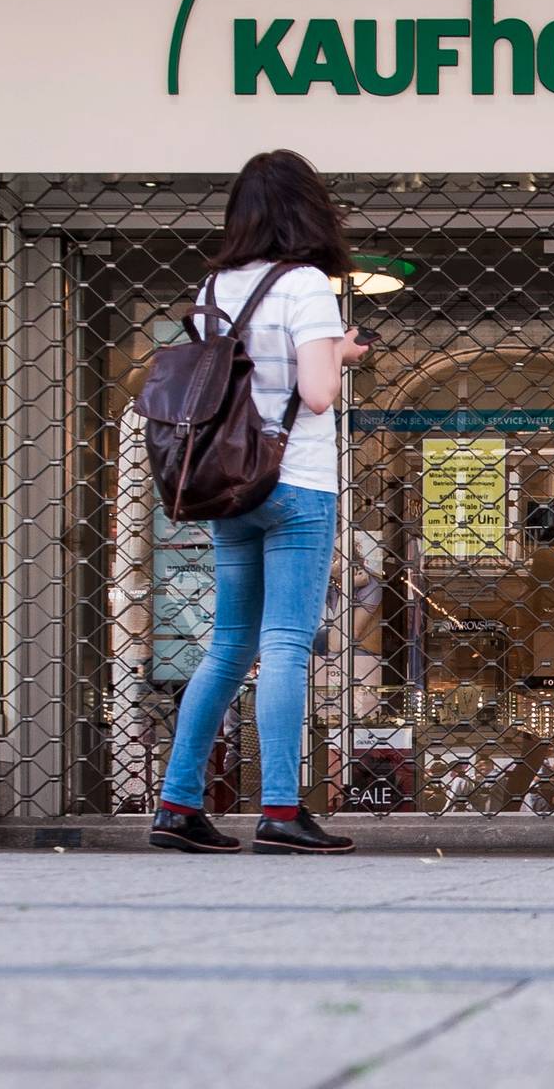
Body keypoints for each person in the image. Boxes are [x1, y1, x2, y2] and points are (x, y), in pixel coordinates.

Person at [149, 149, 369, 856]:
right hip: (295, 483)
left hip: (228, 483)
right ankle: (279, 808)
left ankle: (178, 805)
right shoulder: (305, 285)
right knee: (284, 646)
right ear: (309, 211)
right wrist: (341, 353)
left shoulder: (215, 286)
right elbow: (317, 394)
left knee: (227, 646)